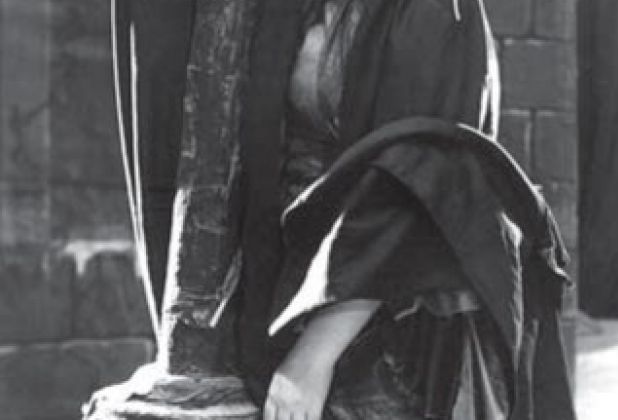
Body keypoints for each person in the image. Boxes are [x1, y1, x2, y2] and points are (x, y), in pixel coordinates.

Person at [233, 0, 577, 419]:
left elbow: (415, 177)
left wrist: (313, 355)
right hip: (297, 286)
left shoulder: (435, 9)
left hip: (400, 311)